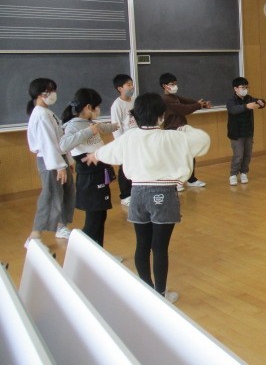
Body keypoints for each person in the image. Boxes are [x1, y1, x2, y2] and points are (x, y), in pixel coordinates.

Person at [86, 92, 210, 303]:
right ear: (161, 116)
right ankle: (161, 294)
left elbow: (108, 152)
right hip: (164, 194)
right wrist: (184, 128)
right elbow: (203, 139)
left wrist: (94, 155)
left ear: (135, 116)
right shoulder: (172, 137)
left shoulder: (130, 137)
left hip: (138, 194)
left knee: (142, 244)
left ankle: (147, 290)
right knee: (159, 248)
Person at [60, 88, 118, 247]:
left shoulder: (90, 122)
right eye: (96, 106)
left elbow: (105, 128)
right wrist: (88, 131)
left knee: (101, 216)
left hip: (99, 172)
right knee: (93, 220)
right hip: (89, 177)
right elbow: (64, 145)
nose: (98, 109)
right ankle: (80, 252)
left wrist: (119, 125)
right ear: (87, 107)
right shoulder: (73, 125)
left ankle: (99, 253)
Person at [24, 78, 75, 250]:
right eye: (50, 90)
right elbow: (47, 143)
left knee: (67, 191)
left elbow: (59, 139)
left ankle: (61, 226)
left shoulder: (47, 112)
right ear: (40, 94)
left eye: (53, 89)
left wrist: (68, 160)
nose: (53, 93)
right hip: (50, 161)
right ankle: (35, 236)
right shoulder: (40, 114)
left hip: (59, 158)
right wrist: (59, 166)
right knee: (51, 195)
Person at [159, 72, 212, 191]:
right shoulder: (165, 99)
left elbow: (188, 101)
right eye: (172, 84)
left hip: (181, 130)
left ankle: (191, 179)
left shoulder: (174, 97)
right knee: (178, 157)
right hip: (173, 131)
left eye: (175, 83)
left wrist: (202, 104)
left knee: (189, 154)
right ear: (164, 86)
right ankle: (177, 182)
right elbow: (183, 109)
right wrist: (198, 105)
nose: (175, 86)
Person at [226, 77, 266, 186]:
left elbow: (260, 102)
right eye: (242, 87)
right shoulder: (231, 100)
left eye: (246, 87)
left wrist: (261, 102)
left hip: (248, 132)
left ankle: (244, 172)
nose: (245, 89)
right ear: (235, 88)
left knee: (247, 155)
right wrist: (246, 106)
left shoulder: (249, 98)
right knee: (238, 155)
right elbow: (233, 110)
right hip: (236, 134)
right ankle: (233, 175)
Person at [110, 74, 137, 207]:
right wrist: (121, 145)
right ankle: (125, 195)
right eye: (128, 85)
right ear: (120, 88)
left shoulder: (134, 100)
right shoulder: (117, 105)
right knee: (125, 167)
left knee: (136, 166)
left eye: (132, 84)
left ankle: (135, 192)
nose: (132, 87)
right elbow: (116, 127)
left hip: (137, 139)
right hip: (125, 142)